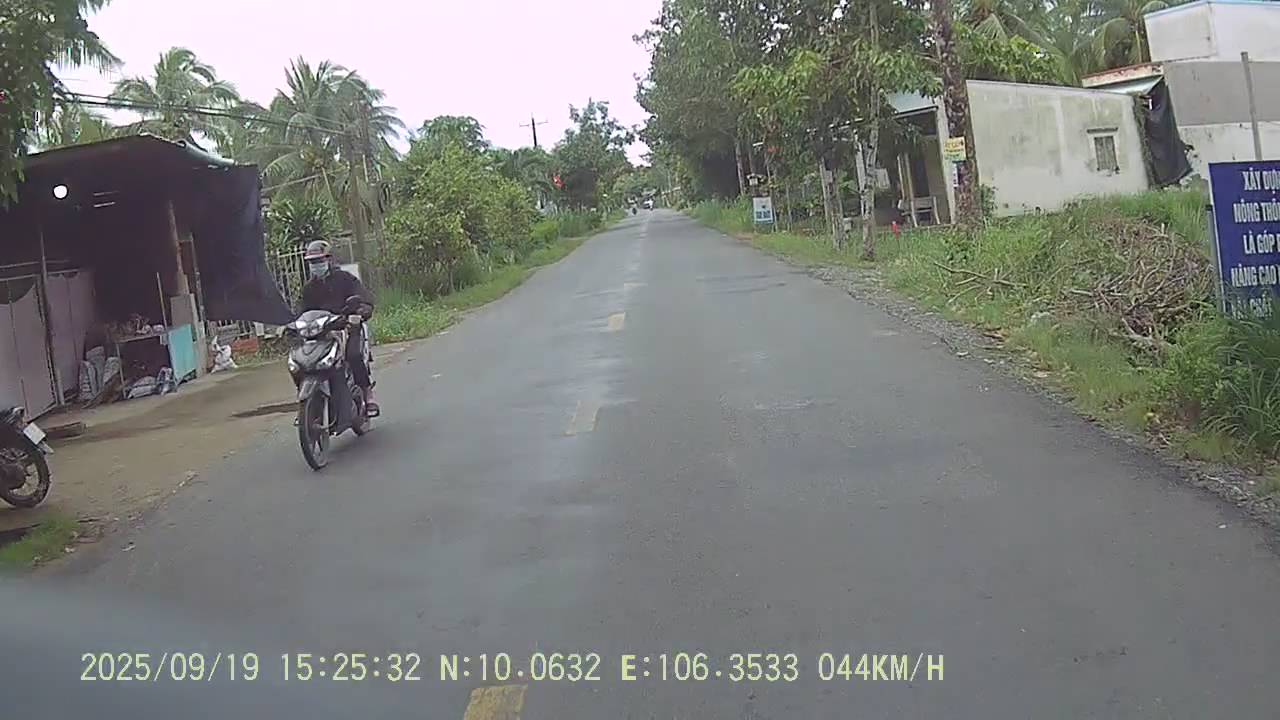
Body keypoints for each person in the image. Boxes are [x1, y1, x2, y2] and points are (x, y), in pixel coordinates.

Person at [298, 240, 379, 417]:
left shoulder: (345, 279)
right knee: (302, 362)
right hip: (321, 333)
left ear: (329, 259)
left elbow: (364, 299)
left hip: (347, 328)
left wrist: (361, 311)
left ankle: (368, 395)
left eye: (319, 260)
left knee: (354, 355)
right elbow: (302, 312)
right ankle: (308, 403)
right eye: (312, 262)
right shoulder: (309, 288)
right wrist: (291, 325)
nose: (316, 265)